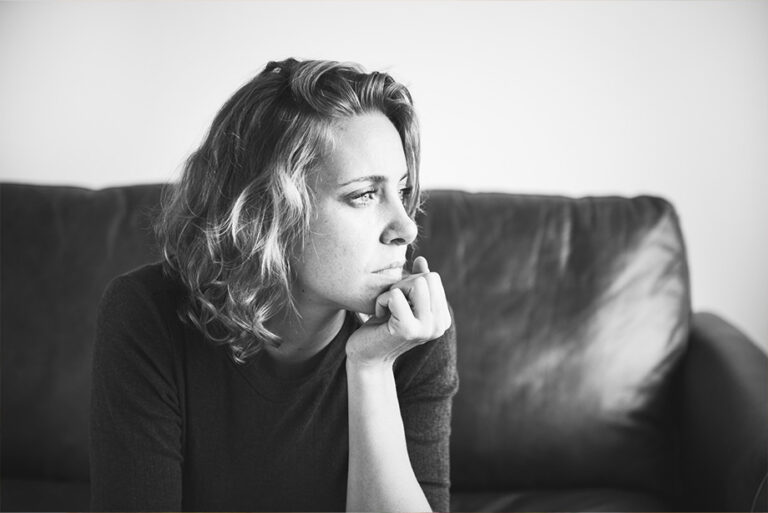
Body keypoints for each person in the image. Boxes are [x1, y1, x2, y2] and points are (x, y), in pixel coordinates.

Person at [89, 58, 458, 512]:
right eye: (364, 194)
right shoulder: (146, 315)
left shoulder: (414, 329)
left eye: (401, 192)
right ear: (267, 213)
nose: (406, 227)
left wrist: (371, 368)